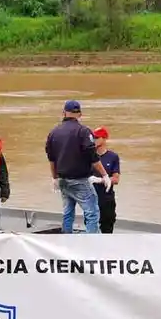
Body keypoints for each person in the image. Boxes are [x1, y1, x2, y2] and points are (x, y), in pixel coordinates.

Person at [44, 100, 110, 233]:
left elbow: (51, 158)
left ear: (64, 113)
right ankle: (92, 245)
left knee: (68, 212)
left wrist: (54, 178)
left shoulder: (54, 132)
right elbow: (93, 157)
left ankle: (66, 240)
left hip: (62, 179)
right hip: (79, 180)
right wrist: (104, 175)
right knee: (92, 212)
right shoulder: (83, 131)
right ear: (80, 114)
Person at [92, 128, 121, 234]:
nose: (93, 140)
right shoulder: (88, 155)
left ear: (104, 139)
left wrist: (100, 180)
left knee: (108, 226)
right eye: (92, 137)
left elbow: (116, 179)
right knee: (91, 225)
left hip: (107, 198)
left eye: (96, 138)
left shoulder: (113, 157)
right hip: (91, 198)